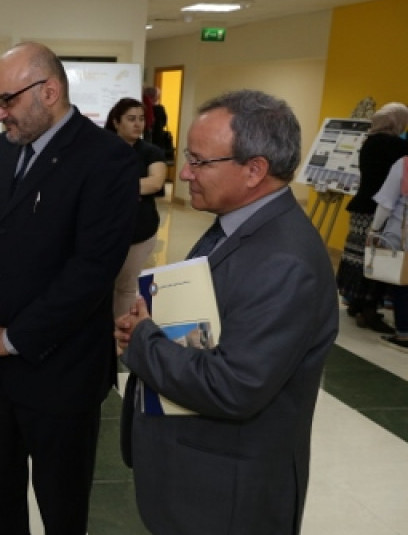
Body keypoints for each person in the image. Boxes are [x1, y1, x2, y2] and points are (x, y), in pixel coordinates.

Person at [114, 90, 339, 534]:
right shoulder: (236, 226)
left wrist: (144, 340)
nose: (185, 174)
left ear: (255, 170)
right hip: (196, 476)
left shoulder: (284, 262)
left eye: (200, 162)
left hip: (226, 497)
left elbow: (234, 385)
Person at [0, 42, 140, 534]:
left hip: (62, 372)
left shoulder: (106, 160)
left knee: (62, 510)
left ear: (50, 91)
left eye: (7, 101)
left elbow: (91, 272)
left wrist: (14, 338)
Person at [336, 102, 408, 333]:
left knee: (358, 257)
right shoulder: (395, 146)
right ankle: (369, 310)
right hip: (378, 210)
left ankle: (355, 302)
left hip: (360, 207)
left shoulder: (370, 141)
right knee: (377, 258)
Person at [105, 97, 168, 319]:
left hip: (139, 231)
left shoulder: (151, 152)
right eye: (131, 119)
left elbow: (155, 183)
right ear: (116, 122)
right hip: (105, 229)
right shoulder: (102, 149)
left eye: (141, 119)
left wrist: (113, 187)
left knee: (126, 286)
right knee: (100, 284)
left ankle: (121, 331)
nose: (137, 124)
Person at [369, 155, 408, 348]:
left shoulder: (404, 164)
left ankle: (403, 333)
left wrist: (374, 229)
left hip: (402, 235)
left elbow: (386, 202)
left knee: (402, 283)